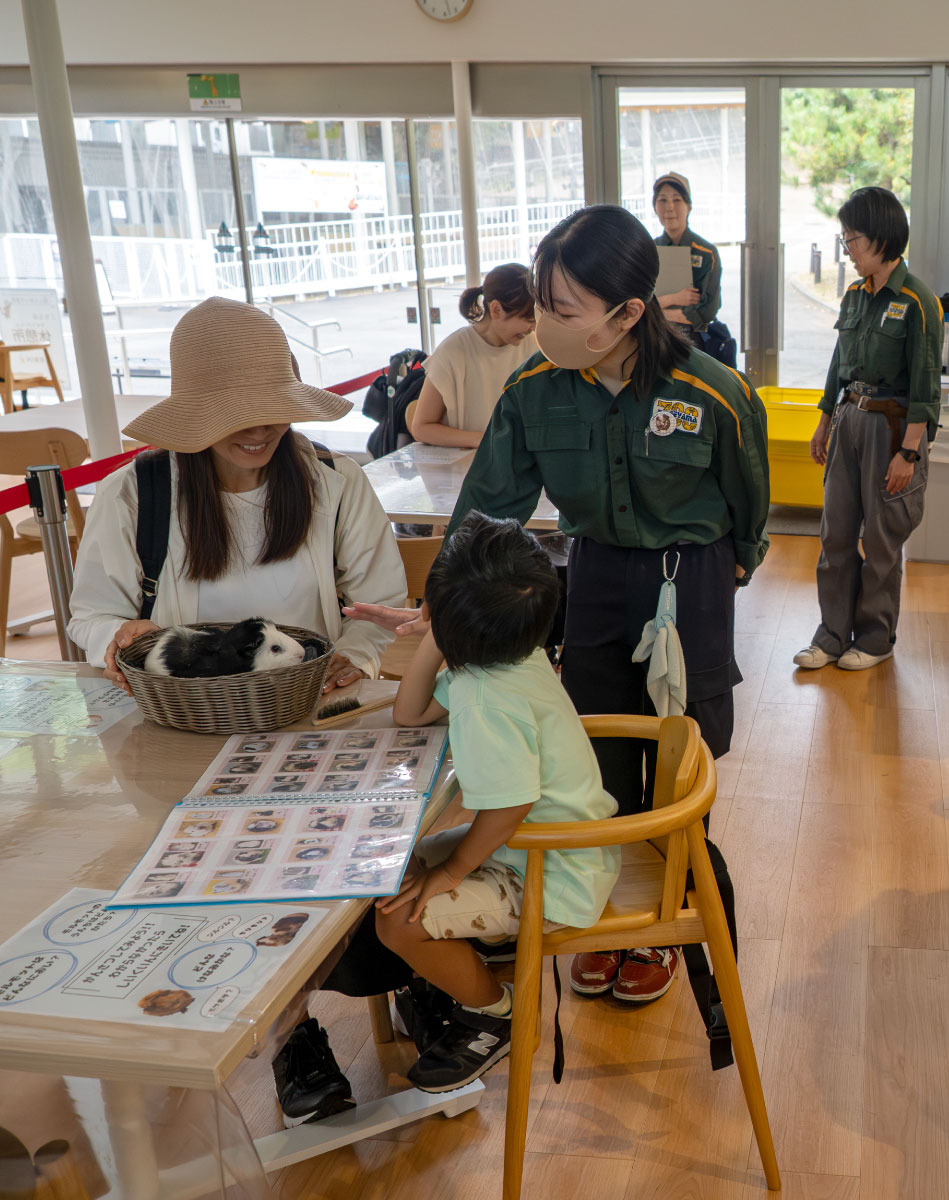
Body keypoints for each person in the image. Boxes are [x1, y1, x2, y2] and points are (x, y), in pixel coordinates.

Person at [351, 204, 768, 1006]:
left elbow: (749, 508)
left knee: (683, 755)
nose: (542, 323)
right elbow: (485, 512)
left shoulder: (714, 392)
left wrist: (727, 575)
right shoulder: (533, 393)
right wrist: (441, 605)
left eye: (563, 311)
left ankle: (671, 915)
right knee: (595, 749)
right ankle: (608, 907)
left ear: (626, 315)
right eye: (540, 303)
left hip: (694, 580)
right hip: (599, 578)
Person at [371, 512, 620, 1092]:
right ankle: (450, 982)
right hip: (549, 851)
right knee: (391, 870)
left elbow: (508, 808)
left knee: (399, 923)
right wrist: (437, 635)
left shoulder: (485, 696)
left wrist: (455, 870)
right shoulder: (513, 655)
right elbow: (410, 714)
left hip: (551, 874)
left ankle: (496, 1011)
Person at [69, 297, 406, 696]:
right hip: (181, 713)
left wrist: (354, 656)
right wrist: (119, 636)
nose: (259, 431)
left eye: (274, 408)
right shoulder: (135, 494)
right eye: (235, 416)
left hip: (306, 704)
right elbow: (91, 616)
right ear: (194, 414)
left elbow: (380, 604)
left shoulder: (335, 481)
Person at [795, 186, 943, 672]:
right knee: (835, 533)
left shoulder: (919, 301)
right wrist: (823, 421)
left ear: (880, 237)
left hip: (890, 429)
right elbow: (839, 362)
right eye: (845, 240)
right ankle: (832, 634)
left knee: (881, 540)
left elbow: (925, 389)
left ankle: (876, 638)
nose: (848, 250)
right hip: (848, 420)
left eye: (853, 239)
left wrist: (909, 454)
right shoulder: (855, 295)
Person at [407, 263, 537, 448]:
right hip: (468, 468)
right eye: (528, 319)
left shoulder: (533, 347)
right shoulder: (453, 351)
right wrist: (486, 440)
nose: (533, 327)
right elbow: (422, 428)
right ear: (496, 310)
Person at [651, 173, 723, 341]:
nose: (669, 208)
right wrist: (675, 299)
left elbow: (706, 313)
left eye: (677, 200)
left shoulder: (706, 253)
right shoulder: (648, 251)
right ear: (655, 206)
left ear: (688, 206)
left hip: (695, 345)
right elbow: (636, 305)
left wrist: (658, 309)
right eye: (662, 200)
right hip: (656, 340)